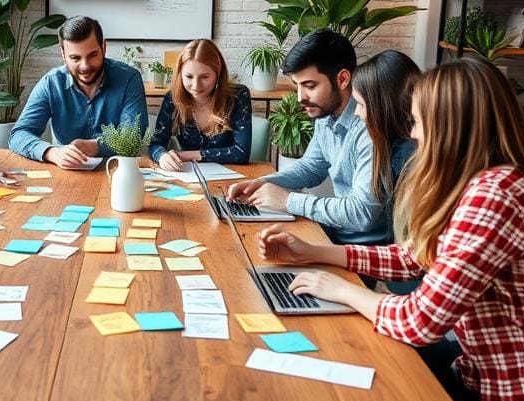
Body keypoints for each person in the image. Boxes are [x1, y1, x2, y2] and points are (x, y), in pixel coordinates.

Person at [257, 58, 524, 401]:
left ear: (450, 126)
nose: (413, 135)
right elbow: (413, 257)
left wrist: (343, 290)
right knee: (361, 367)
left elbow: (419, 321)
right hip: (481, 370)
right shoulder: (485, 180)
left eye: (417, 122)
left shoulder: (497, 194)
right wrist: (313, 252)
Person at [227, 28, 387, 245]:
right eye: (298, 86)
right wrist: (261, 182)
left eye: (310, 86)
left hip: (362, 248)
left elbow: (362, 214)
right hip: (333, 233)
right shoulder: (326, 115)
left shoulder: (369, 127)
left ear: (342, 79)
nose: (301, 97)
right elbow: (311, 168)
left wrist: (288, 200)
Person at [8, 16, 147, 169]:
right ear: (63, 54)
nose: (85, 66)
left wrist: (95, 146)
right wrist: (52, 152)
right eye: (75, 58)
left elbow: (133, 138)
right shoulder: (51, 83)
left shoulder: (129, 79)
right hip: (66, 172)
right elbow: (19, 135)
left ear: (103, 47)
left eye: (92, 55)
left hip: (117, 170)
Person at [148, 38, 252, 169]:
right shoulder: (172, 98)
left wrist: (186, 155)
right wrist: (161, 156)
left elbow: (241, 153)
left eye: (205, 77)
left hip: (231, 175)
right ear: (180, 75)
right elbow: (156, 144)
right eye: (189, 77)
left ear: (218, 74)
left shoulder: (238, 95)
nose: (196, 85)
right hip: (187, 176)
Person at [350, 50, 420, 235]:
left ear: (382, 106)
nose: (356, 113)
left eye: (361, 104)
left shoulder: (406, 156)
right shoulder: (397, 147)